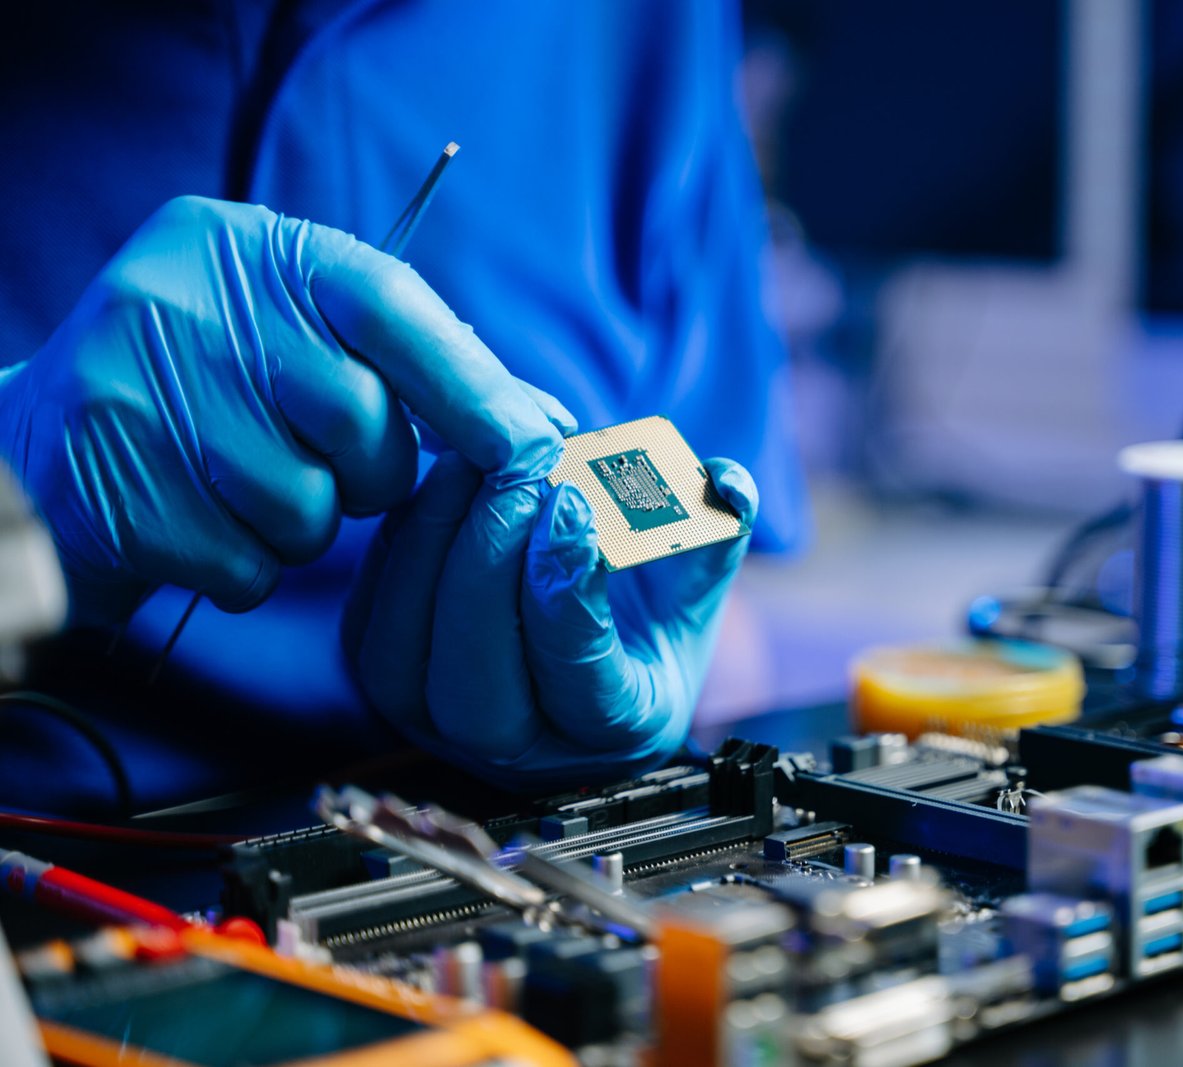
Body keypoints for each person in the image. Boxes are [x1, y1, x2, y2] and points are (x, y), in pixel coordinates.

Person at [0, 1, 807, 811]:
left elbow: (725, 615)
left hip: (481, 850)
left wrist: (620, 689)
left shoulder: (651, 21)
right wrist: (16, 481)